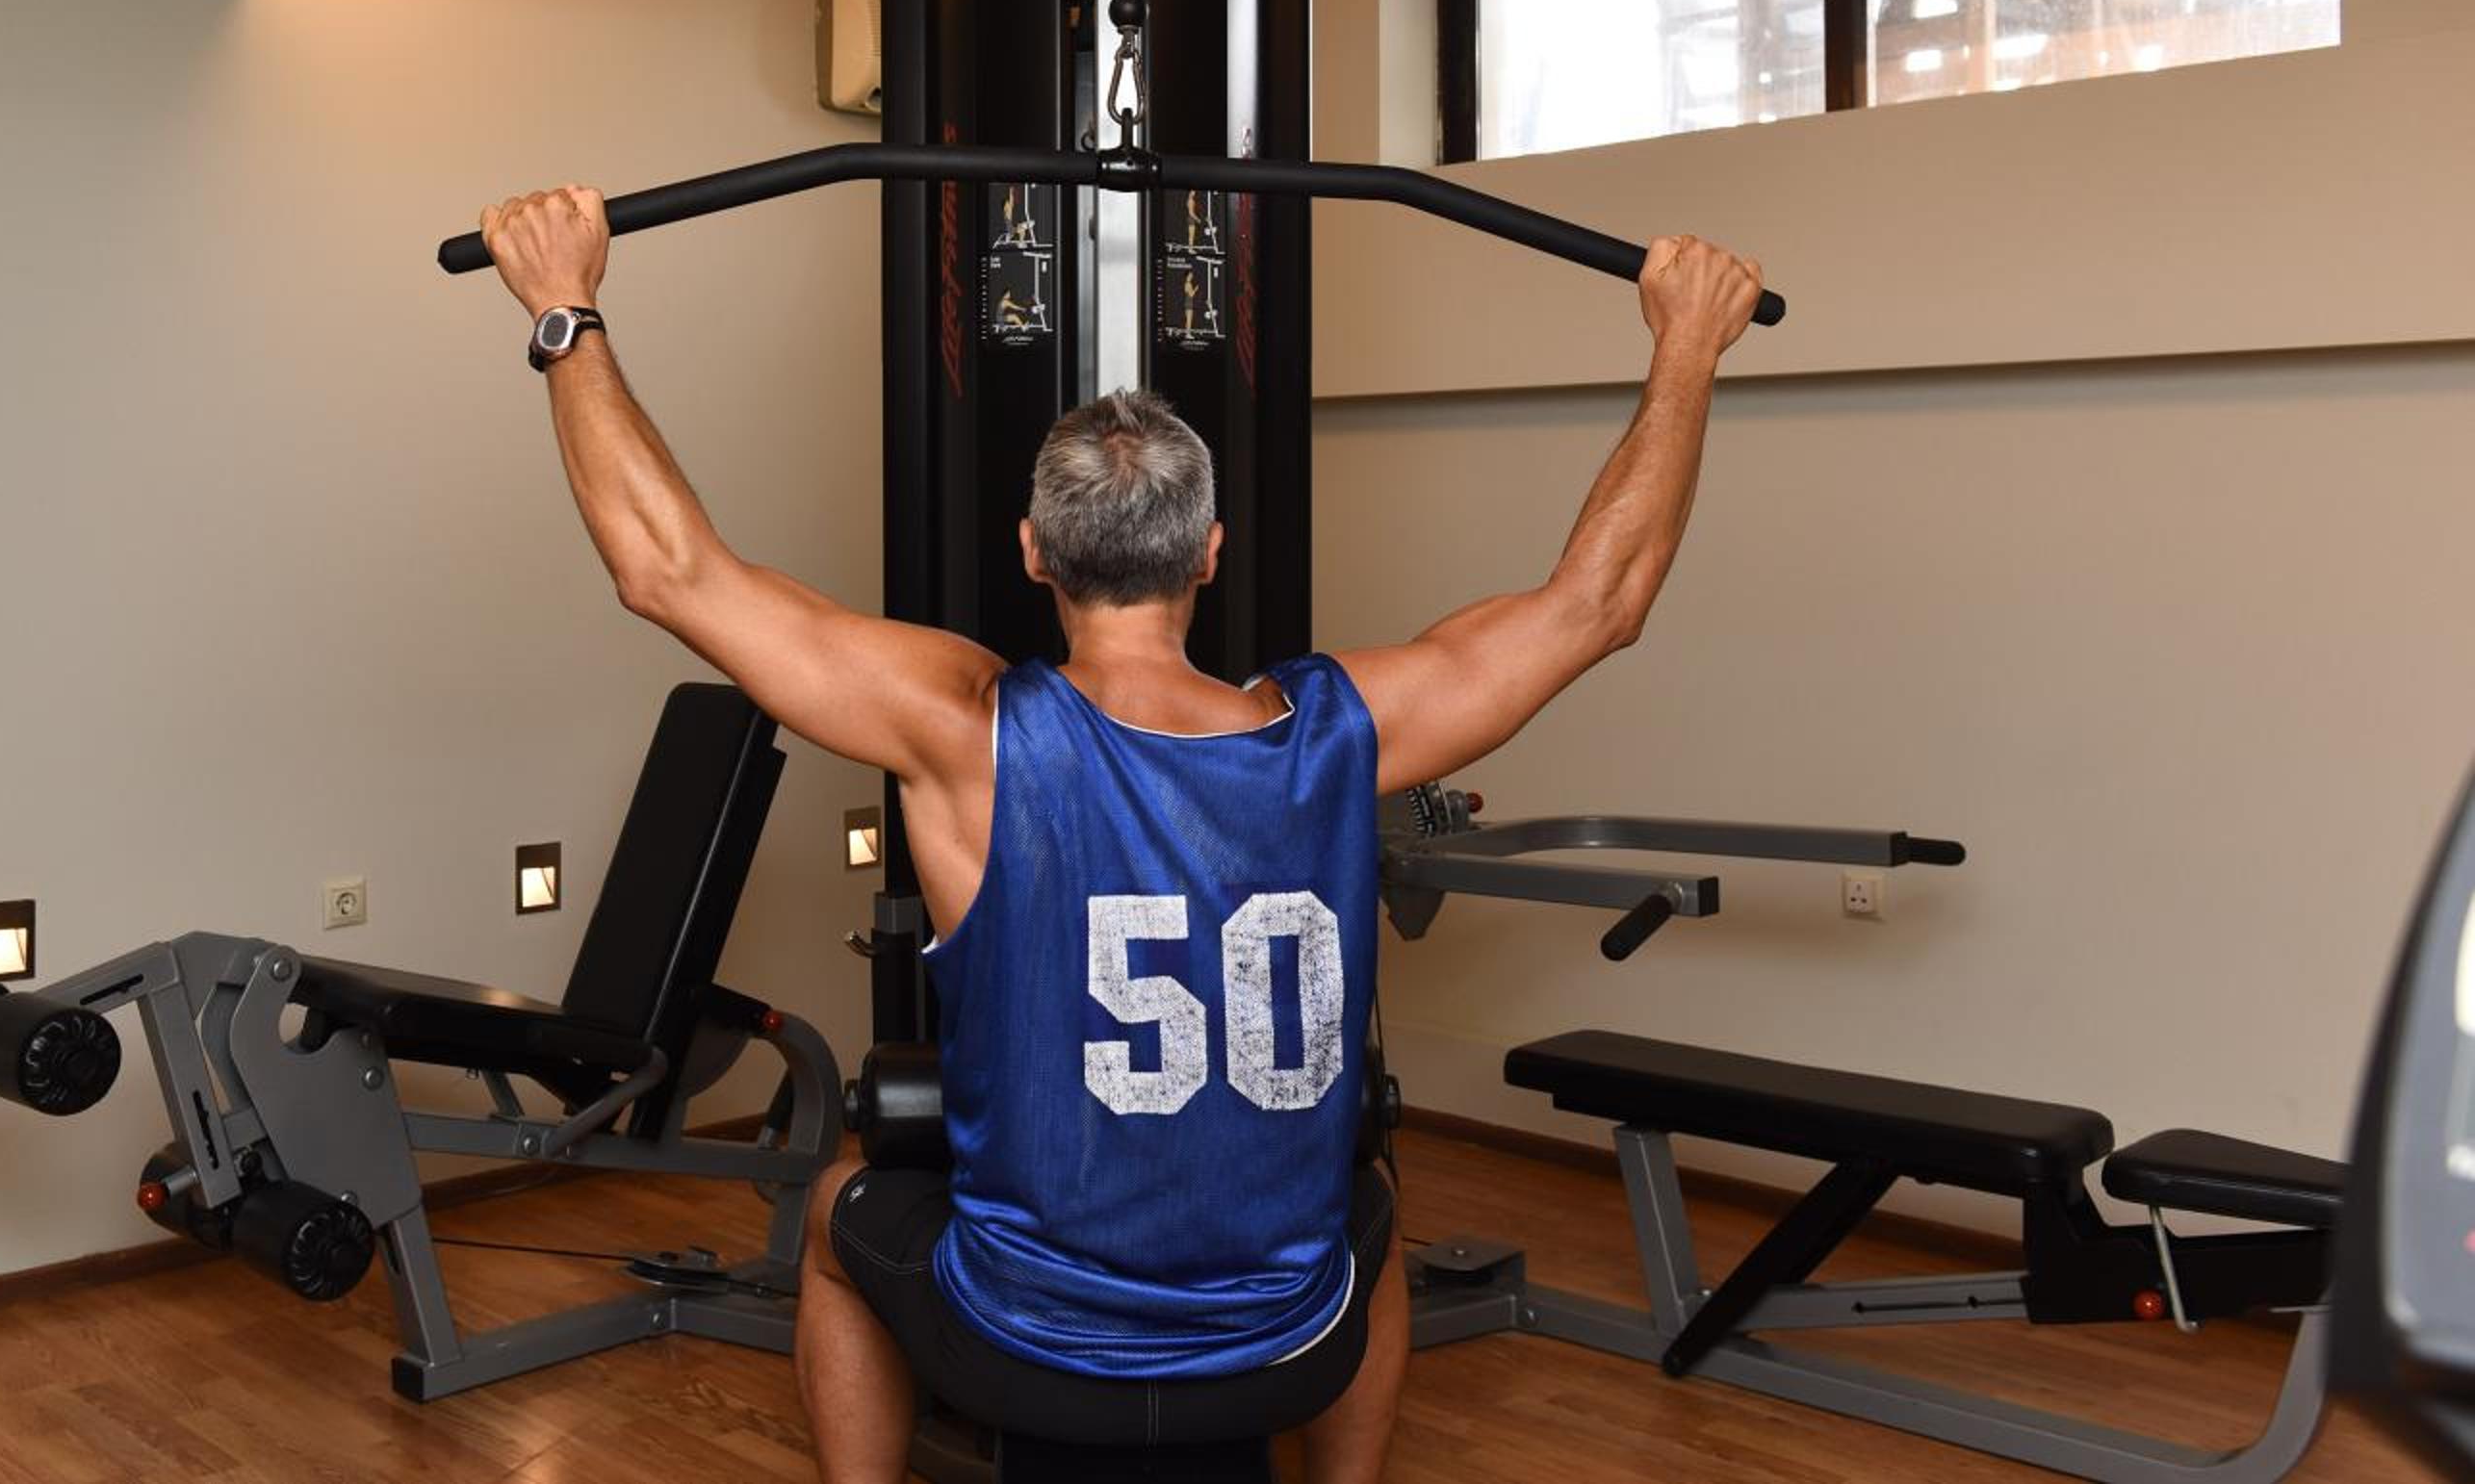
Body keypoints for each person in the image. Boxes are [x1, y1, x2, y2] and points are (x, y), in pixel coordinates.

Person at [479, 186, 1766, 1484]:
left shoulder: (967, 729)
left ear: (1034, 552)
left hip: (1026, 1341)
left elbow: (669, 570)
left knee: (831, 1216)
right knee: (1365, 1212)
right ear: (1210, 552)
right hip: (1283, 1347)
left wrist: (565, 309)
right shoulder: (1347, 728)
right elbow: (1601, 599)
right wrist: (1686, 345)